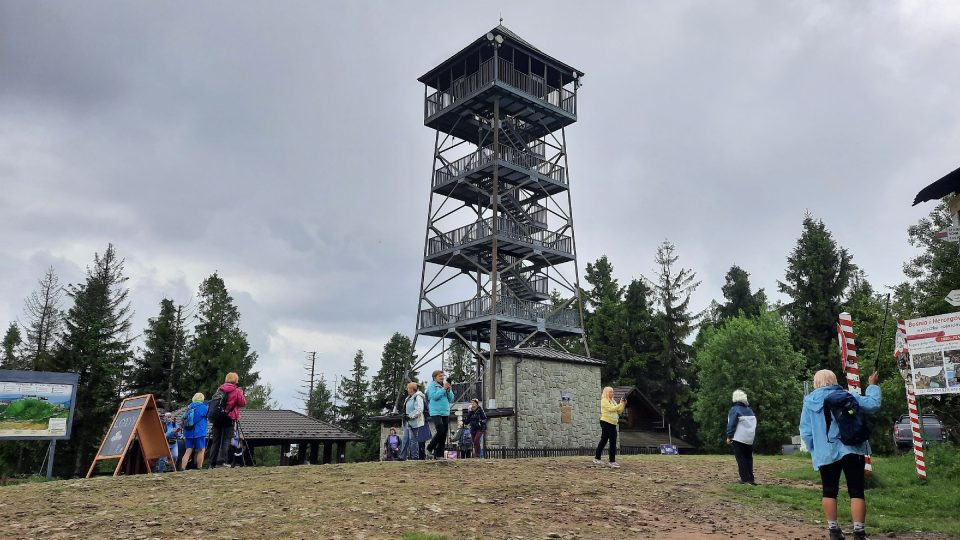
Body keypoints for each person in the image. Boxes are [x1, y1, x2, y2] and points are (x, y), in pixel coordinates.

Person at [800, 369, 881, 540]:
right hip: (852, 449)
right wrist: (872, 386)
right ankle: (859, 532)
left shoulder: (809, 402)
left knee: (829, 491)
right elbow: (873, 405)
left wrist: (815, 449)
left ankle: (834, 530)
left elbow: (806, 431)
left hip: (826, 452)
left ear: (816, 383)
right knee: (856, 491)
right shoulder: (846, 395)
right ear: (834, 380)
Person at [209, 372, 248, 468]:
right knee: (226, 440)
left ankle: (212, 462)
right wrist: (241, 393)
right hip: (229, 417)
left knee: (216, 440)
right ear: (236, 380)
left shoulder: (220, 389)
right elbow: (243, 403)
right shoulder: (236, 390)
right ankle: (220, 462)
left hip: (217, 418)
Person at [725, 389, 757, 485]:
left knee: (741, 458)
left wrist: (729, 436)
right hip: (749, 438)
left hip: (739, 438)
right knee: (748, 458)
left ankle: (744, 479)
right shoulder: (749, 410)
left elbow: (732, 423)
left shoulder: (735, 409)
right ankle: (751, 478)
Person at [425, 370, 455, 460]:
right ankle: (430, 447)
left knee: (444, 434)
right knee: (440, 430)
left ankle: (439, 454)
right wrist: (443, 389)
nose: (442, 377)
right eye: (440, 376)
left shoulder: (445, 386)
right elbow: (434, 396)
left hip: (445, 412)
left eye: (443, 376)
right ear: (435, 377)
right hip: (436, 412)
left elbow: (451, 399)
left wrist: (449, 391)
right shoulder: (432, 386)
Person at [594, 387, 625, 468]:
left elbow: (619, 411)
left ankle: (612, 461)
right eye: (610, 392)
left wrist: (623, 404)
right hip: (606, 422)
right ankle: (597, 458)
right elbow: (611, 409)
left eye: (613, 392)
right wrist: (620, 404)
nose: (612, 393)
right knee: (604, 440)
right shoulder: (604, 401)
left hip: (613, 424)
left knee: (613, 442)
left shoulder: (613, 401)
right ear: (606, 393)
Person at [180, 393, 209, 470]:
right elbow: (209, 416)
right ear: (202, 399)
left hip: (188, 432)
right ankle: (199, 467)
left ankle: (182, 468)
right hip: (199, 432)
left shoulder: (189, 407)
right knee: (201, 449)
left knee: (188, 450)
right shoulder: (204, 407)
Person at [399, 382, 425, 461]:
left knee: (413, 440)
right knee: (405, 439)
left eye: (408, 388)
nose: (407, 389)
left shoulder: (418, 397)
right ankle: (402, 456)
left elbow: (419, 409)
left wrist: (410, 416)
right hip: (408, 422)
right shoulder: (408, 398)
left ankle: (415, 457)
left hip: (415, 422)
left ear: (412, 389)